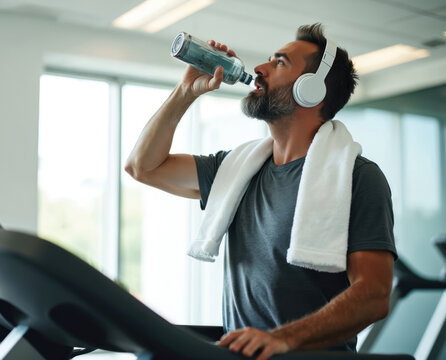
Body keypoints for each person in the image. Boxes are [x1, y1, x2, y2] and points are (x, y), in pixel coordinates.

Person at [124, 23, 396, 360]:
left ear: (311, 90)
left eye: (279, 63)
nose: (259, 69)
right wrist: (186, 92)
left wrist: (284, 339)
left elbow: (374, 294)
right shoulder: (235, 171)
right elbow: (142, 166)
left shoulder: (357, 177)